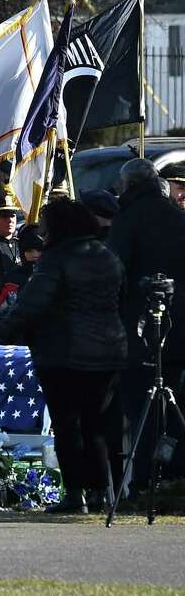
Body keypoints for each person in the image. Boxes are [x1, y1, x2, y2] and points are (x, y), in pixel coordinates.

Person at [0, 200, 127, 513]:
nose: (41, 231)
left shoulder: (56, 259)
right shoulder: (107, 254)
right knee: (96, 426)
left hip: (64, 353)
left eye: (45, 224)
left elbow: (30, 304)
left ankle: (75, 495)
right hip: (108, 351)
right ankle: (99, 494)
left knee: (68, 426)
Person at [107, 158, 185, 488]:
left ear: (130, 186)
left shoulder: (128, 220)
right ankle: (175, 475)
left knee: (142, 412)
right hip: (179, 332)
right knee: (176, 409)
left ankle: (143, 481)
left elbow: (114, 273)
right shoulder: (178, 218)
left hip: (139, 332)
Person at [0, 224, 45, 324]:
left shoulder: (53, 276)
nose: (35, 254)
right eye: (29, 250)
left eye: (39, 250)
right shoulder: (12, 277)